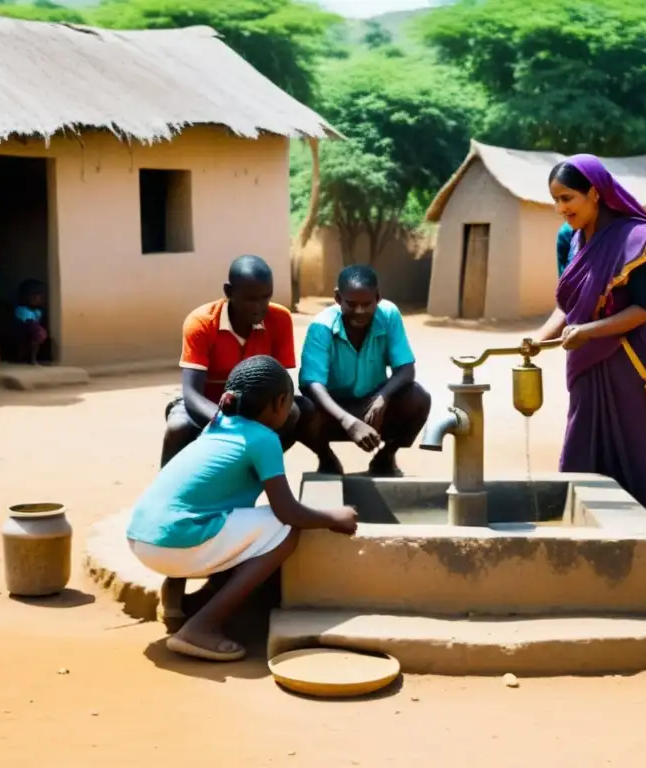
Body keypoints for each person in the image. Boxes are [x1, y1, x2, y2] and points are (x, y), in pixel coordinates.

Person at [127, 356, 359, 662]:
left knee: (222, 515)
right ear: (280, 402)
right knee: (283, 529)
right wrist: (334, 517)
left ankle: (176, 601)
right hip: (175, 544)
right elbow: (288, 512)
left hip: (141, 538)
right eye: (290, 402)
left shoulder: (216, 426)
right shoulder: (264, 439)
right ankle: (202, 627)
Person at [529, 155, 646, 529]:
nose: (561, 209)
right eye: (556, 200)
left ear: (594, 193)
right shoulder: (571, 240)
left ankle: (645, 546)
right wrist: (538, 338)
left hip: (634, 368)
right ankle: (586, 543)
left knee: (637, 454)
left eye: (568, 198)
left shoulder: (637, 240)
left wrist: (587, 332)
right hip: (587, 367)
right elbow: (570, 306)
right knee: (583, 448)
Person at [161, 255, 309, 467]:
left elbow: (282, 384)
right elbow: (192, 394)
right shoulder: (202, 322)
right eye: (250, 299)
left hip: (254, 405)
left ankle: (252, 471)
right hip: (207, 404)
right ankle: (164, 490)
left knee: (298, 411)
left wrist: (257, 418)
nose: (259, 306)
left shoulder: (279, 319)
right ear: (229, 292)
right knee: (178, 427)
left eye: (266, 297)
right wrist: (229, 423)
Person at [298, 265, 432, 477]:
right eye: (351, 304)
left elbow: (406, 369)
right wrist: (346, 420)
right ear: (337, 298)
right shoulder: (321, 326)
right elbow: (312, 383)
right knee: (301, 408)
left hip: (374, 404)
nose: (359, 311)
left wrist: (382, 397)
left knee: (419, 397)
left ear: (377, 297)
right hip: (332, 407)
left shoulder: (388, 315)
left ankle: (386, 457)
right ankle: (326, 458)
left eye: (366, 304)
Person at [13, 279, 49, 365]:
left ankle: (33, 358)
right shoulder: (21, 310)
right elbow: (30, 324)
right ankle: (23, 358)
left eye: (42, 295)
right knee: (35, 331)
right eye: (36, 295)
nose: (41, 298)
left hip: (34, 337)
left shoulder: (37, 311)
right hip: (21, 336)